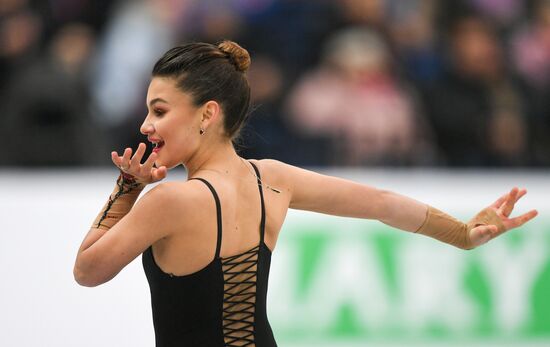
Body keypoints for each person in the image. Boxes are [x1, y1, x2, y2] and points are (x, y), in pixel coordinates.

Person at [73, 40, 538, 347]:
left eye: (158, 110)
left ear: (206, 113)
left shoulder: (170, 201)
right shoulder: (273, 179)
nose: (145, 125)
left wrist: (128, 187)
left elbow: (88, 270)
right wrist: (460, 233)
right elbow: (381, 203)